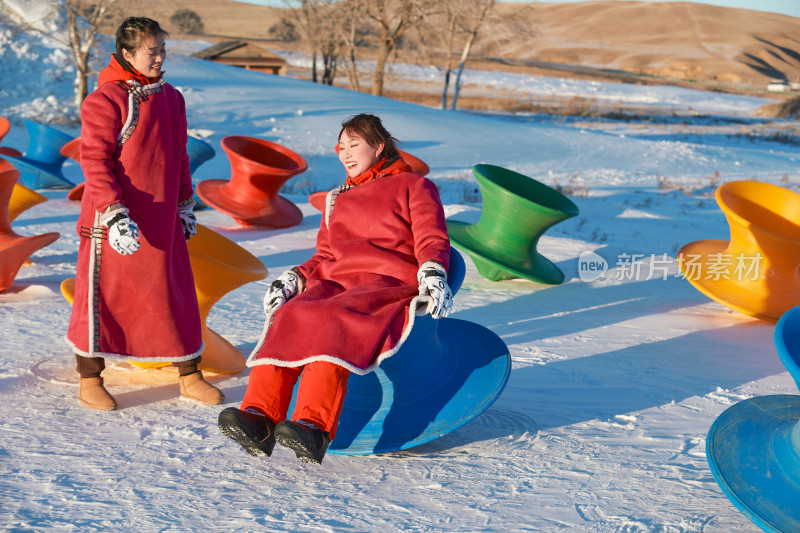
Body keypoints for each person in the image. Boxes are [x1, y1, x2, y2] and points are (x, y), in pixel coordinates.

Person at [218, 114, 453, 464]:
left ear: (378, 145)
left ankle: (314, 427)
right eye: (341, 147)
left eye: (354, 144)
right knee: (292, 313)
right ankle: (259, 418)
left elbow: (431, 236)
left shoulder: (414, 186)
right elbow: (325, 255)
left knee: (333, 318)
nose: (345, 153)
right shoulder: (337, 197)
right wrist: (295, 278)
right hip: (336, 281)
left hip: (385, 283)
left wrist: (433, 272)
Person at [65, 17, 223, 410]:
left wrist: (185, 205)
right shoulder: (104, 100)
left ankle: (189, 375)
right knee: (102, 296)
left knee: (175, 294)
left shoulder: (172, 98)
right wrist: (114, 213)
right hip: (114, 219)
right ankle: (90, 378)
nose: (159, 58)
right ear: (127, 54)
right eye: (152, 52)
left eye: (162, 50)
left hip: (163, 216)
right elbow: (95, 162)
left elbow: (179, 158)